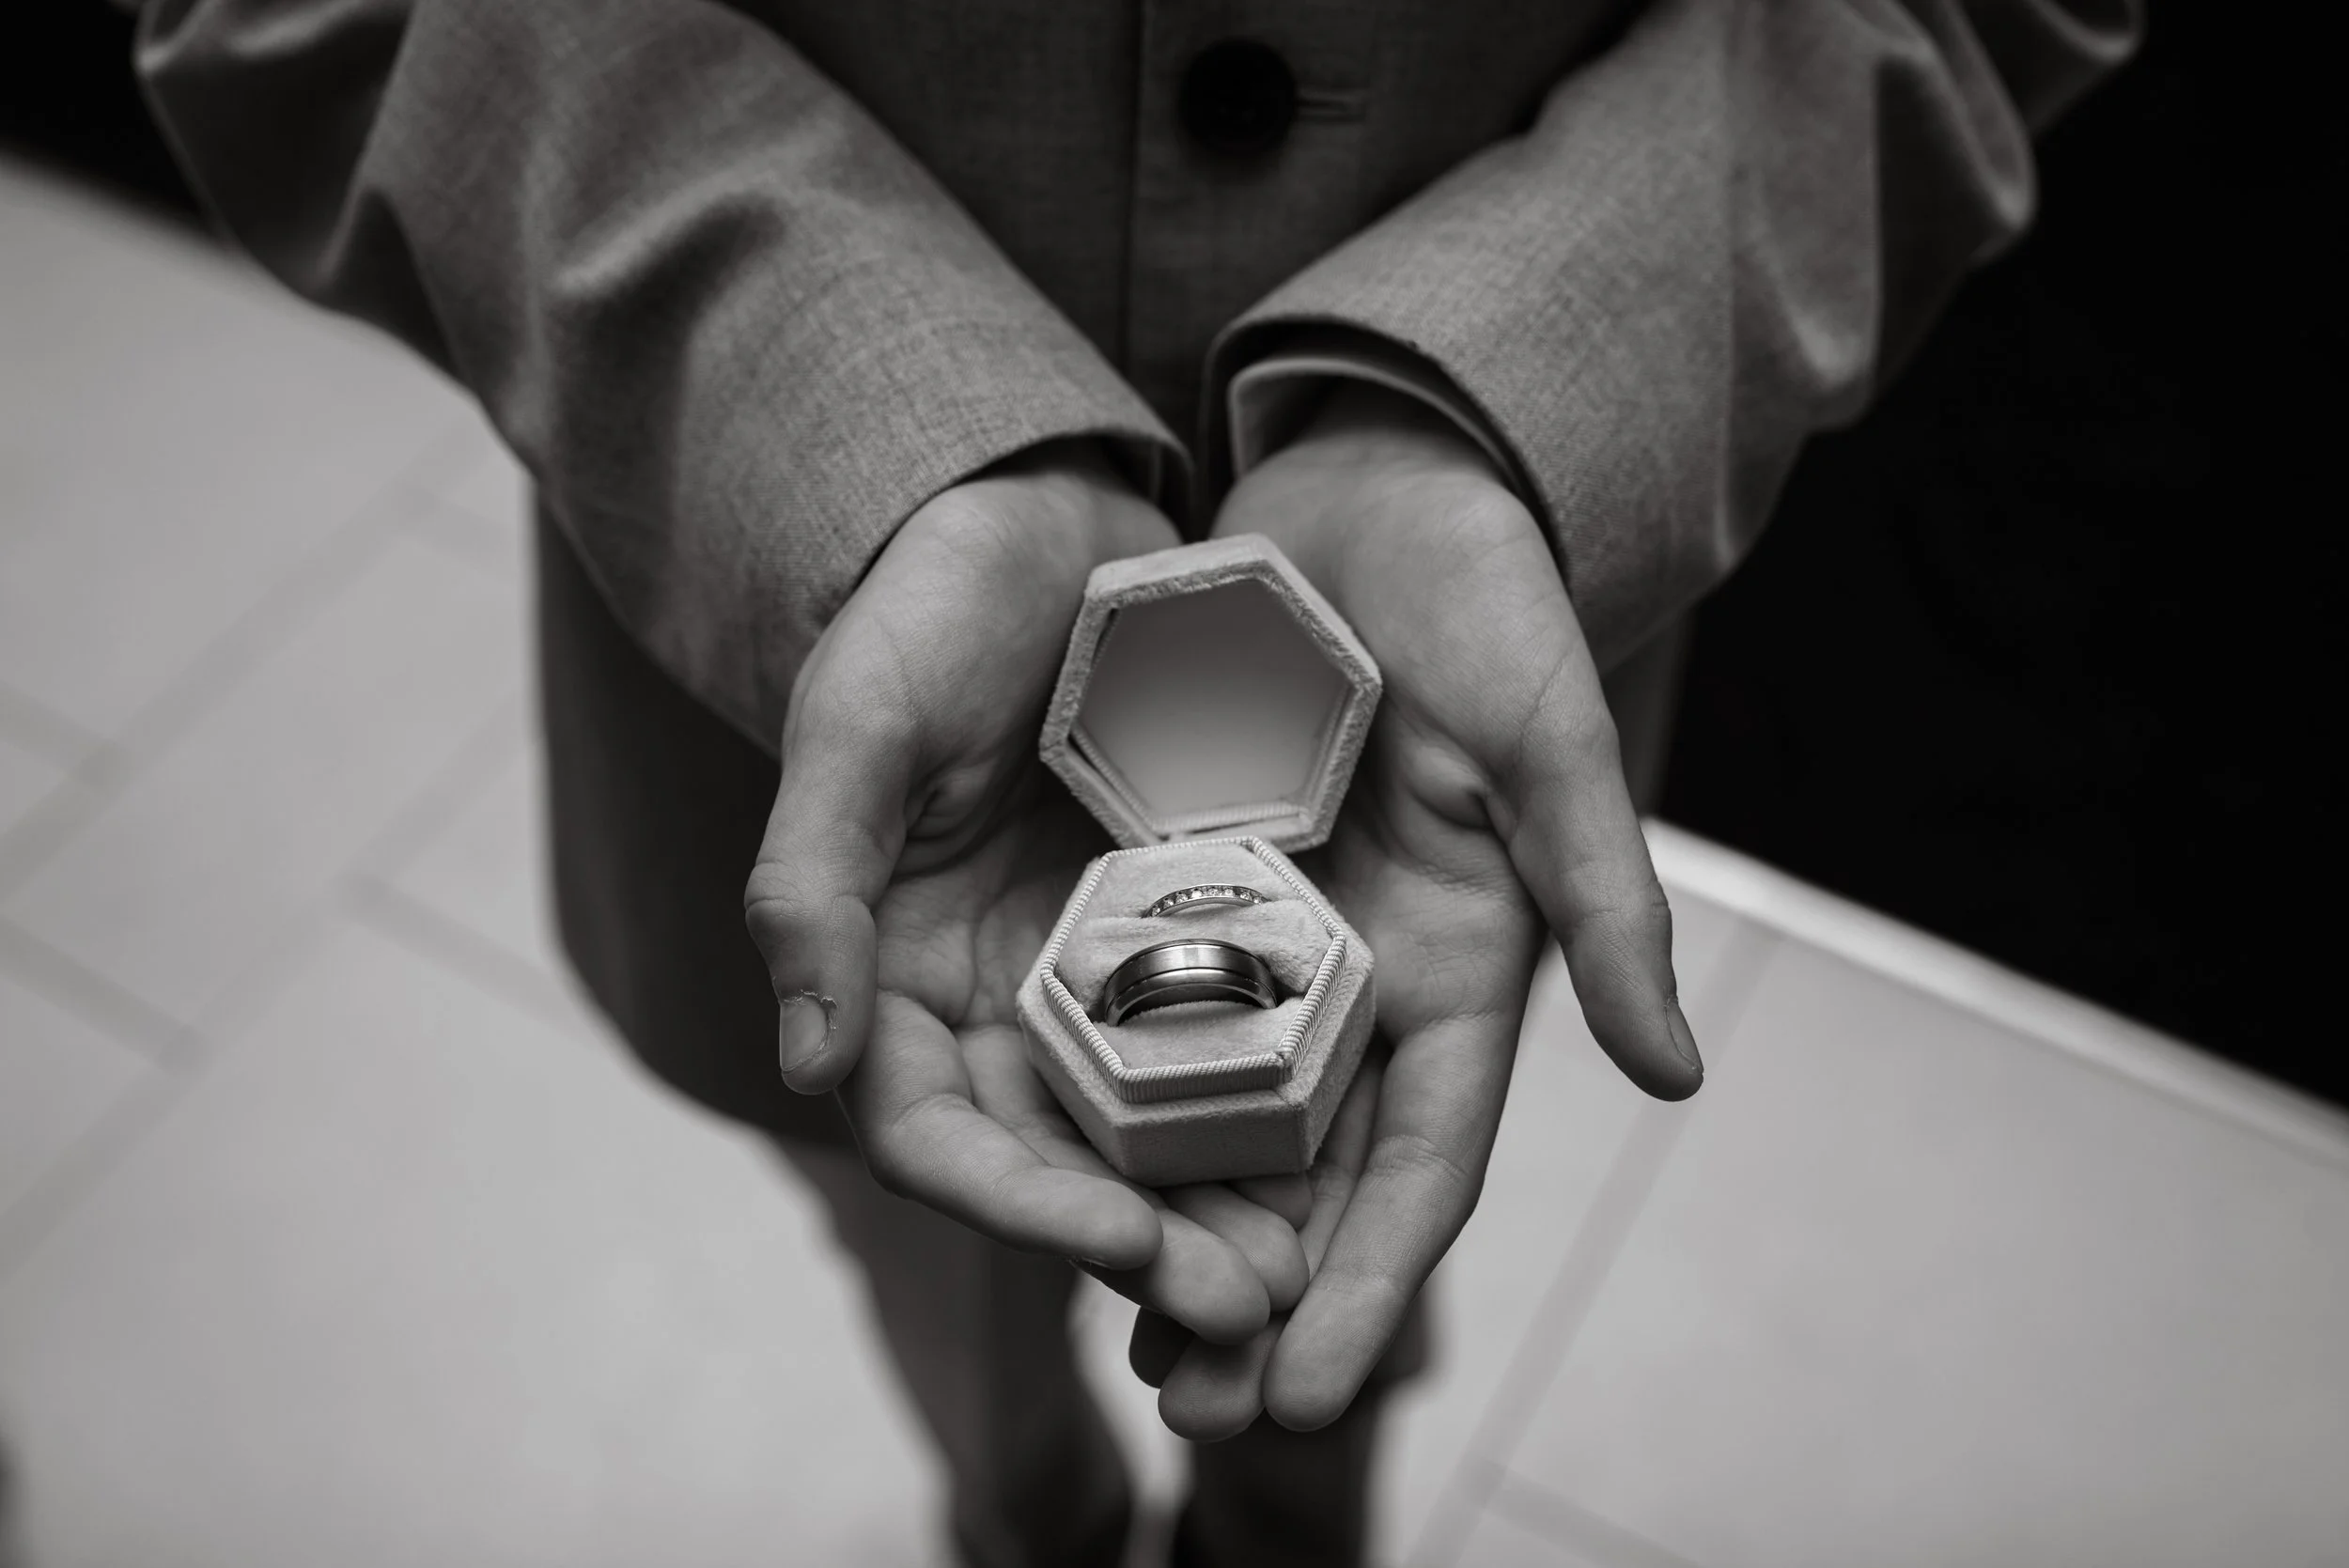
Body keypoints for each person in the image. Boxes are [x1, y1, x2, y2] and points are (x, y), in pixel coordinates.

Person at [134, 2, 2138, 1562]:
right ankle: (1030, 1528)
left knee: (1342, 1219)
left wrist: (1489, 393)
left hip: (1451, 694)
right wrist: (861, 423)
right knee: (911, 1214)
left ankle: (1282, 1536)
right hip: (770, 636)